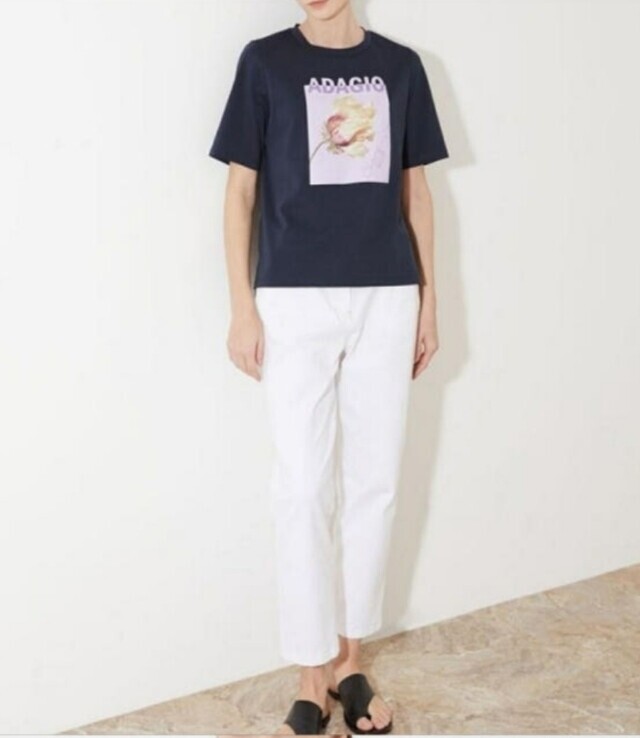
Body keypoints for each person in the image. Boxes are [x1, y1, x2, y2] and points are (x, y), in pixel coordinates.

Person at [208, 0, 449, 733]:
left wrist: (429, 301)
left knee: (375, 482)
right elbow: (240, 191)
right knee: (303, 487)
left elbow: (415, 190)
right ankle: (310, 674)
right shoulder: (264, 62)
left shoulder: (401, 67)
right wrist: (242, 306)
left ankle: (350, 663)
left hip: (387, 293)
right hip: (291, 297)